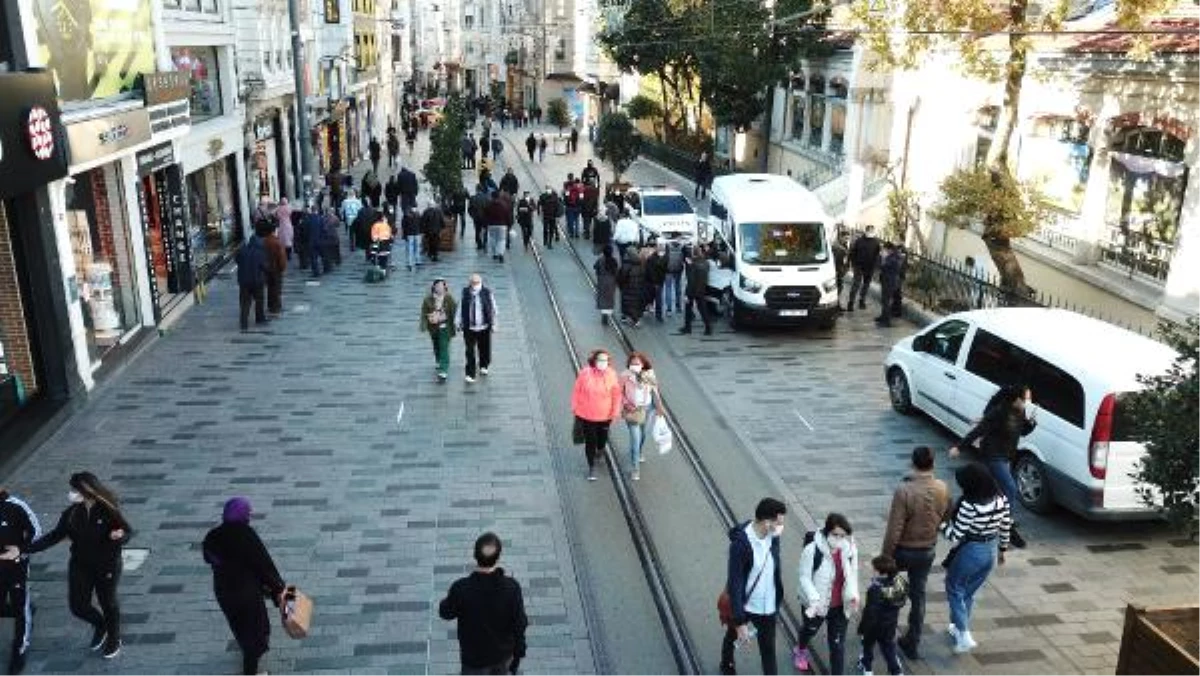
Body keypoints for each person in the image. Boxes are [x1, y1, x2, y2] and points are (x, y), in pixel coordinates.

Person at [28, 472, 131, 661]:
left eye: (75, 490)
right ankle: (101, 625)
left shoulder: (108, 509)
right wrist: (26, 549)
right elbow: (54, 536)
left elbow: (127, 531)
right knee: (78, 606)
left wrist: (120, 536)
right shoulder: (72, 513)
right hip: (80, 565)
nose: (72, 493)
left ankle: (114, 638)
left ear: (87, 490)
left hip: (106, 564)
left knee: (107, 602)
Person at [880, 446, 951, 661]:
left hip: (903, 550)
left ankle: (885, 632)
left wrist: (886, 556)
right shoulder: (942, 487)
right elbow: (947, 516)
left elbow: (894, 528)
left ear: (912, 463)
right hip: (926, 551)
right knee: (919, 597)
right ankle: (913, 641)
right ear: (933, 463)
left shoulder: (904, 490)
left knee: (890, 592)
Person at [202, 498, 287, 676]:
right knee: (255, 633)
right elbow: (263, 565)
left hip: (224, 592)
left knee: (239, 626)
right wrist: (279, 588)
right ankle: (251, 672)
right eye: (248, 513)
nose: (250, 516)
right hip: (246, 593)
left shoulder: (212, 535)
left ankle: (248, 656)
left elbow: (209, 557)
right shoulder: (246, 535)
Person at [950, 383, 1035, 549]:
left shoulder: (1020, 411)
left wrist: (1031, 424)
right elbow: (979, 431)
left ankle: (960, 512)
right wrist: (959, 447)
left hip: (1007, 456)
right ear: (1017, 399)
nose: (1028, 401)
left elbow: (1021, 431)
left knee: (991, 489)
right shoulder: (999, 412)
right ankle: (1006, 526)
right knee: (1010, 488)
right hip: (993, 455)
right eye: (1026, 398)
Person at [941, 463, 1012, 654]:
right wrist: (1002, 550)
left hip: (971, 552)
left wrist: (940, 524)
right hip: (990, 551)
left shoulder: (969, 505)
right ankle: (958, 628)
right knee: (968, 592)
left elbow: (955, 536)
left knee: (954, 588)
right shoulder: (1001, 499)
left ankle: (964, 634)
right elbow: (1006, 527)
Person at [439, 532, 528, 676]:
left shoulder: (461, 588)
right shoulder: (511, 588)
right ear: (498, 558)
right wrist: (519, 650)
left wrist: (446, 601)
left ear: (475, 556)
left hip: (474, 659)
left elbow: (445, 613)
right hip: (503, 656)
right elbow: (520, 622)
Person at [719, 497, 788, 676]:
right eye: (779, 523)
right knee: (732, 636)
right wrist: (740, 621)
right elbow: (735, 582)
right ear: (767, 522)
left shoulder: (773, 538)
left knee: (768, 651)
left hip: (768, 607)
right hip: (747, 605)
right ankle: (726, 664)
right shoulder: (740, 545)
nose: (781, 527)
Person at [793, 513, 860, 675]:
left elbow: (853, 574)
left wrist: (854, 595)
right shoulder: (812, 550)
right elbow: (804, 576)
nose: (838, 539)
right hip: (816, 605)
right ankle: (800, 649)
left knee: (837, 645)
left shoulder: (850, 550)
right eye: (835, 534)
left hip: (840, 607)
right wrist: (813, 598)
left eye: (842, 536)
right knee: (809, 630)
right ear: (826, 531)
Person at [0, 490, 41, 673]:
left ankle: (19, 650)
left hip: (15, 568)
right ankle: (27, 609)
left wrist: (20, 550)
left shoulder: (15, 505)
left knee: (19, 607)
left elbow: (37, 531)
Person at [570, 349, 622, 481]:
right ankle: (591, 467)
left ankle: (601, 449)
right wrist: (575, 407)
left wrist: (615, 411)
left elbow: (616, 394)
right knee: (590, 441)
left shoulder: (611, 374)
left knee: (602, 438)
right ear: (594, 361)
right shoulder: (585, 373)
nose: (603, 362)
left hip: (605, 415)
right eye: (600, 360)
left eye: (605, 360)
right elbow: (577, 390)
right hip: (587, 414)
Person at [856, 555, 908, 676]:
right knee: (888, 647)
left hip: (874, 626)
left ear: (881, 573)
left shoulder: (875, 590)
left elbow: (870, 612)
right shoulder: (899, 583)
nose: (872, 571)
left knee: (867, 645)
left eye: (874, 569)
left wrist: (863, 628)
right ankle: (896, 671)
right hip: (890, 624)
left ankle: (867, 668)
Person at [619, 352, 663, 480]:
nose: (634, 366)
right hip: (631, 411)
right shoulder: (624, 376)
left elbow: (655, 390)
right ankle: (635, 468)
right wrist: (626, 403)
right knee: (635, 439)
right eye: (632, 364)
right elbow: (618, 392)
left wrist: (659, 407)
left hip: (647, 409)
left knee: (643, 434)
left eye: (637, 364)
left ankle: (638, 452)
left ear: (643, 365)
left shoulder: (649, 374)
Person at [461, 274, 496, 383]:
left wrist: (494, 324)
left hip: (484, 327)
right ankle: (470, 373)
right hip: (469, 328)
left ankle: (484, 365)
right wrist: (457, 322)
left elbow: (494, 309)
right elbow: (460, 309)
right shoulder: (465, 292)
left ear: (481, 282)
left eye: (477, 283)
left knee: (484, 348)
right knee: (469, 351)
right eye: (473, 283)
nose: (475, 285)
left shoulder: (487, 292)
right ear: (470, 283)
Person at [421, 278, 458, 382]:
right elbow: (424, 312)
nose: (440, 288)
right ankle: (438, 359)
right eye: (438, 286)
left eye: (442, 285)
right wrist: (424, 324)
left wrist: (458, 324)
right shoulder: (428, 299)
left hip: (445, 327)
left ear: (445, 287)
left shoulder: (449, 298)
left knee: (444, 347)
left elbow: (455, 310)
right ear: (434, 287)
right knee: (436, 345)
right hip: (433, 327)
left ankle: (443, 370)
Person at [235, 231, 269, 331]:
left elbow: (237, 261)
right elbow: (265, 267)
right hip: (257, 281)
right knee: (259, 300)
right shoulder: (260, 253)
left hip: (244, 281)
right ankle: (259, 318)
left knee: (245, 302)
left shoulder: (242, 251)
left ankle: (244, 322)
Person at [679, 244, 712, 335]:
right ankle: (708, 327)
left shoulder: (693, 265)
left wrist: (686, 294)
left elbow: (691, 281)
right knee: (702, 309)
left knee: (688, 308)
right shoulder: (706, 263)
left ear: (693, 253)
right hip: (701, 289)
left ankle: (687, 328)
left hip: (692, 290)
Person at [847, 226, 882, 312]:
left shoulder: (876, 242)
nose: (871, 232)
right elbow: (852, 253)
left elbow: (878, 255)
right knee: (856, 284)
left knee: (866, 285)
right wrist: (853, 263)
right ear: (865, 231)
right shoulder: (859, 241)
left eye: (872, 231)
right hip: (859, 266)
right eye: (869, 230)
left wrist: (876, 266)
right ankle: (851, 302)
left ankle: (862, 301)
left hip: (870, 267)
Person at [261, 220, 287, 317]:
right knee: (276, 288)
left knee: (270, 288)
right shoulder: (277, 242)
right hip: (276, 269)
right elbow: (282, 258)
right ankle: (276, 307)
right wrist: (282, 268)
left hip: (267, 269)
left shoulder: (264, 241)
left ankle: (270, 305)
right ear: (274, 230)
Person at [617, 246, 646, 328]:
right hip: (638, 288)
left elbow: (621, 277)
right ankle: (635, 319)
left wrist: (621, 285)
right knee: (635, 304)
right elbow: (644, 276)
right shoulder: (640, 264)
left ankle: (628, 317)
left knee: (627, 302)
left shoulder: (626, 264)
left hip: (627, 288)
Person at [874, 242, 901, 327]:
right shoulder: (889, 257)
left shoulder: (894, 258)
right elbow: (878, 265)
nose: (883, 251)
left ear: (889, 250)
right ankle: (883, 316)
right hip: (886, 281)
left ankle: (886, 321)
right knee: (884, 300)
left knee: (886, 301)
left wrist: (883, 258)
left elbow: (884, 266)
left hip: (890, 282)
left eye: (884, 249)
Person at [595, 245, 619, 326]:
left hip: (602, 281)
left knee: (603, 298)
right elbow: (616, 271)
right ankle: (608, 314)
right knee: (609, 298)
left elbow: (595, 267)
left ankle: (604, 315)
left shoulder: (600, 260)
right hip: (611, 282)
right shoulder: (614, 261)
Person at [485, 191, 512, 263]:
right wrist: (509, 224)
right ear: (499, 196)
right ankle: (500, 253)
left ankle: (495, 253)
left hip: (491, 225)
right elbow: (508, 215)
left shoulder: (489, 205)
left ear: (492, 196)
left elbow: (485, 215)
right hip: (502, 225)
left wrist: (486, 223)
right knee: (501, 240)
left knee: (492, 239)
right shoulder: (504, 205)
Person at [662, 237, 686, 317]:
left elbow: (664, 258)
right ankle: (678, 307)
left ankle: (669, 309)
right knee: (678, 288)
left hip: (668, 271)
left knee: (668, 289)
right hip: (678, 270)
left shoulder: (667, 246)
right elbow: (684, 259)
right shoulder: (682, 247)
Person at [469, 184, 492, 251]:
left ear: (476, 189)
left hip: (476, 217)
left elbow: (469, 209)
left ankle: (479, 244)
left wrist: (472, 216)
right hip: (485, 217)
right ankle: (485, 243)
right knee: (485, 230)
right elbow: (489, 208)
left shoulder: (473, 198)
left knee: (477, 230)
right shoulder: (487, 198)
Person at [832, 227, 849, 311]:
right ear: (840, 237)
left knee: (840, 288)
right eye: (845, 238)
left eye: (847, 238)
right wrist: (839, 271)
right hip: (837, 271)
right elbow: (837, 261)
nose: (847, 240)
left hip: (840, 270)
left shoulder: (843, 246)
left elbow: (845, 260)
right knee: (837, 289)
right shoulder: (837, 247)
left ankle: (837, 305)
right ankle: (836, 306)